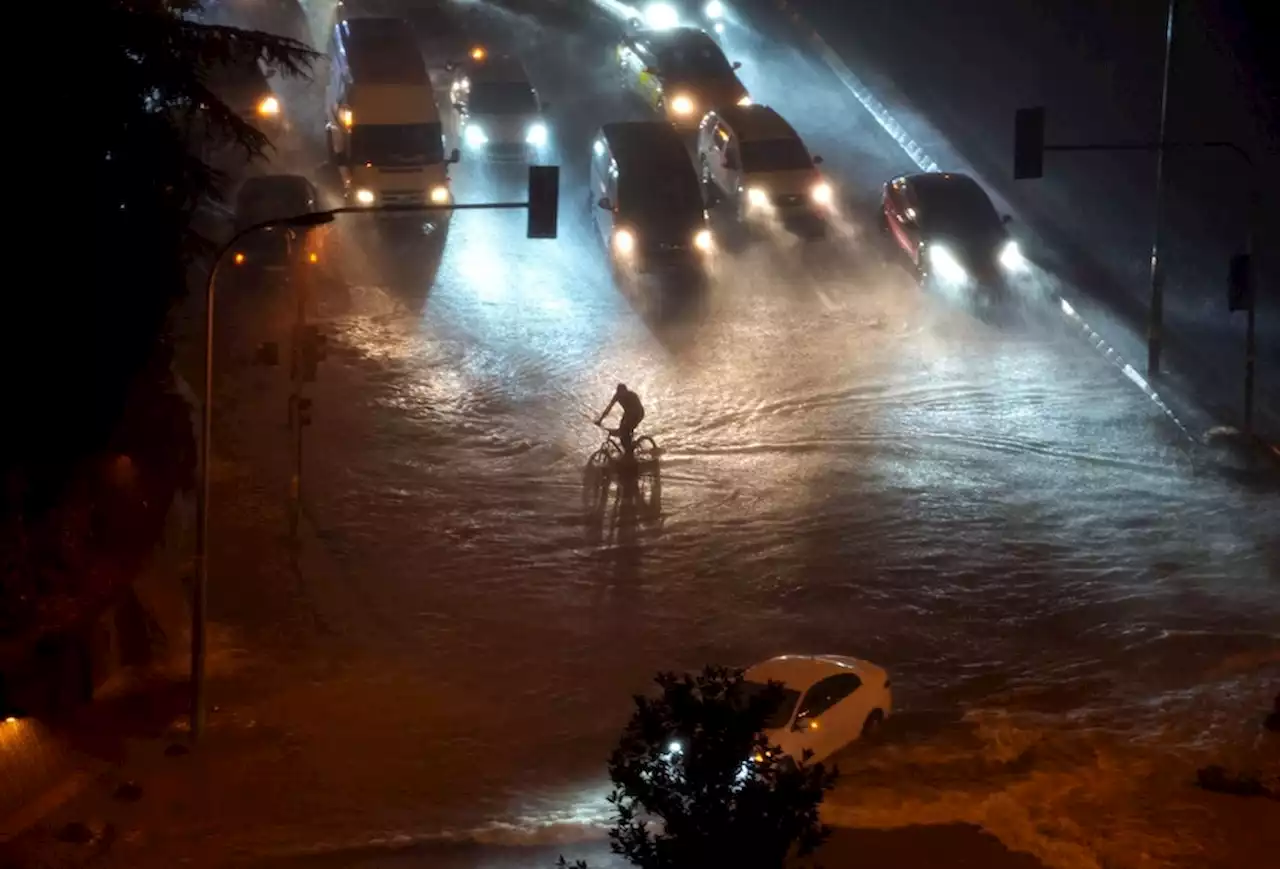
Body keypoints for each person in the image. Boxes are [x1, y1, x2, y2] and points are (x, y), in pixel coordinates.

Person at [596, 383, 645, 458]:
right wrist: (600, 420)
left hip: (638, 413)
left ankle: (630, 453)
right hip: (628, 413)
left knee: (625, 432)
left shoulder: (632, 395)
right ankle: (627, 447)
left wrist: (627, 426)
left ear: (626, 391)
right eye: (620, 393)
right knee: (622, 433)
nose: (622, 395)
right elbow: (609, 408)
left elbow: (637, 410)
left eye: (623, 393)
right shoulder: (617, 396)